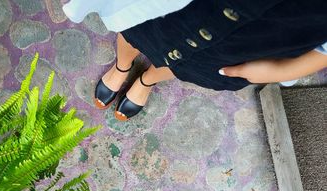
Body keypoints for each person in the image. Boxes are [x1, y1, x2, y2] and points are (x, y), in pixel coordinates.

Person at [64, 0, 327, 121]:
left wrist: (289, 69)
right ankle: (123, 66)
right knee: (140, 27)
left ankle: (147, 79)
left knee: (193, 63)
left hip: (274, 33)